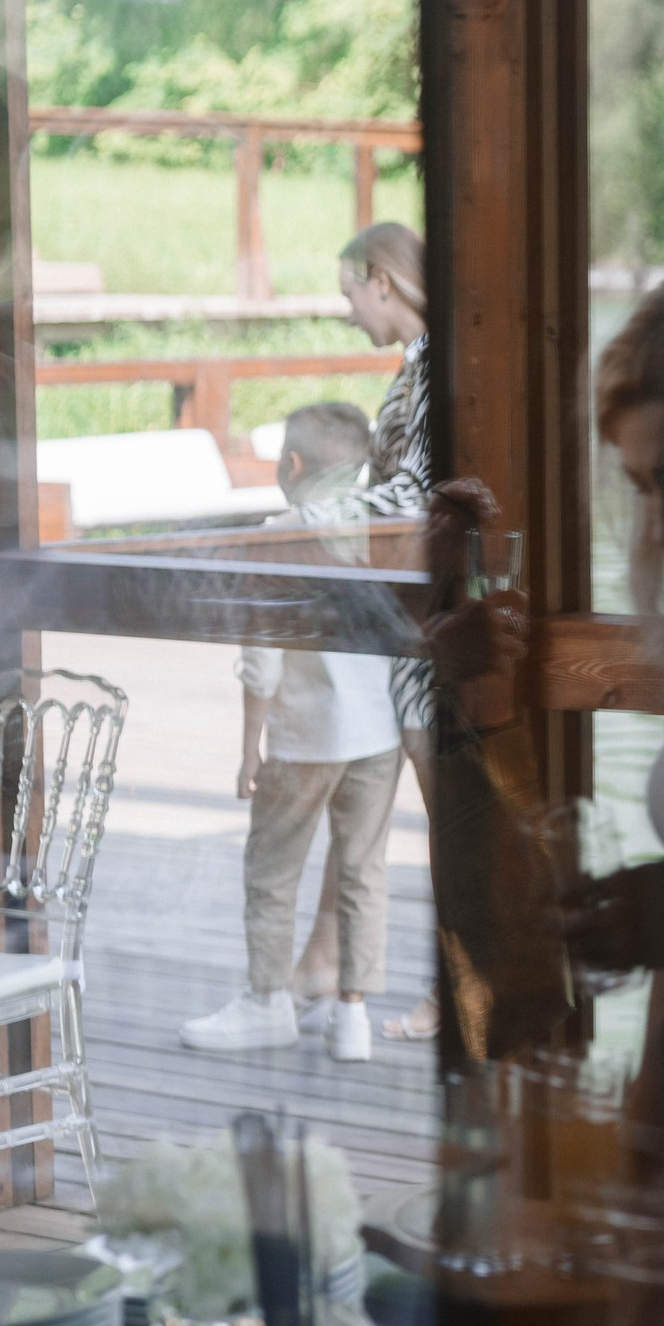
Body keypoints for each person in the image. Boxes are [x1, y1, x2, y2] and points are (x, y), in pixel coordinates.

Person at [181, 403, 405, 1062]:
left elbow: (264, 657)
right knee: (363, 870)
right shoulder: (379, 526)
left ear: (293, 464)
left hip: (307, 735)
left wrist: (250, 745)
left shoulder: (282, 534)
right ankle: (352, 1018)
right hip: (378, 731)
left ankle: (266, 1001)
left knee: (274, 871)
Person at [291, 221, 445, 1044]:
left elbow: (417, 490)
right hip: (402, 621)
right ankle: (325, 959)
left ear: (381, 280)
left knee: (440, 813)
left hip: (425, 627)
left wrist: (319, 513)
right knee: (369, 796)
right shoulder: (418, 369)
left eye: (351, 291)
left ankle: (454, 989)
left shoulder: (436, 368)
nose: (348, 309)